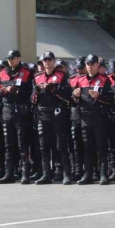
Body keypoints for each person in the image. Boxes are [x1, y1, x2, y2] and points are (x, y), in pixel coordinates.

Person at [73, 54, 113, 184]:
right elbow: (73, 102)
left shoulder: (104, 80)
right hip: (85, 117)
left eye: (92, 64)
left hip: (99, 117)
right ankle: (88, 174)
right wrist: (75, 96)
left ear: (97, 65)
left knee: (101, 147)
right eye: (88, 64)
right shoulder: (80, 80)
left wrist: (99, 96)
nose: (90, 67)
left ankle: (103, 174)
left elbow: (111, 100)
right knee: (87, 147)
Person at [32, 51, 71, 185]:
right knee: (43, 146)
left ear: (54, 61)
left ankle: (66, 174)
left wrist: (53, 89)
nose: (47, 62)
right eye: (45, 60)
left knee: (60, 145)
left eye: (49, 60)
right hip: (42, 114)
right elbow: (33, 99)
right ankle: (46, 174)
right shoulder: (37, 77)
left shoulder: (62, 76)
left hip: (57, 113)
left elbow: (67, 97)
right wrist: (37, 91)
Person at [0, 50, 33, 184]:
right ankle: (9, 173)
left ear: (18, 58)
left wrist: (16, 91)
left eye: (13, 58)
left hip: (20, 111)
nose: (10, 61)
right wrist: (2, 91)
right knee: (8, 144)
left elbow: (30, 91)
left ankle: (25, 173)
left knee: (22, 143)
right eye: (9, 58)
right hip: (7, 111)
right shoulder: (3, 72)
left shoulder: (26, 72)